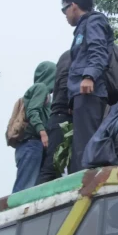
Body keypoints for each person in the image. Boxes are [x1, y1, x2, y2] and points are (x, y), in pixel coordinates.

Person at [62, 0, 115, 173]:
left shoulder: (94, 21)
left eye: (64, 10)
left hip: (89, 90)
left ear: (74, 6)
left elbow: (98, 50)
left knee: (86, 144)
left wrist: (89, 76)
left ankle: (88, 183)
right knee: (81, 144)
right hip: (81, 92)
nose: (65, 15)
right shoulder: (83, 27)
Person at [12, 61, 56, 193]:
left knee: (30, 186)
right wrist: (42, 132)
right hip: (32, 143)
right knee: (25, 188)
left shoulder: (38, 90)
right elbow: (33, 111)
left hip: (27, 145)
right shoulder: (41, 88)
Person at [37, 50, 71, 184]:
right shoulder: (41, 89)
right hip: (61, 118)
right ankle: (35, 202)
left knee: (57, 168)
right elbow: (64, 81)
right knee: (51, 168)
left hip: (57, 120)